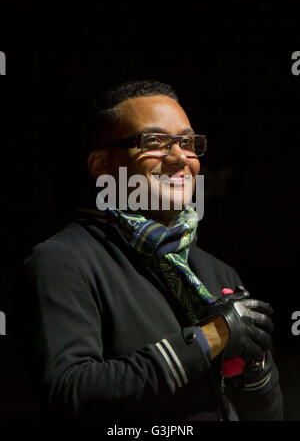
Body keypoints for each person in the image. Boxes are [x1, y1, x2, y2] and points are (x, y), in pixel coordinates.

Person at [19, 79, 283, 421]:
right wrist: (210, 339)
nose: (178, 158)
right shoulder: (63, 261)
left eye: (188, 143)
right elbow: (69, 393)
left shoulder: (217, 272)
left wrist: (257, 371)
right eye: (154, 142)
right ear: (101, 165)